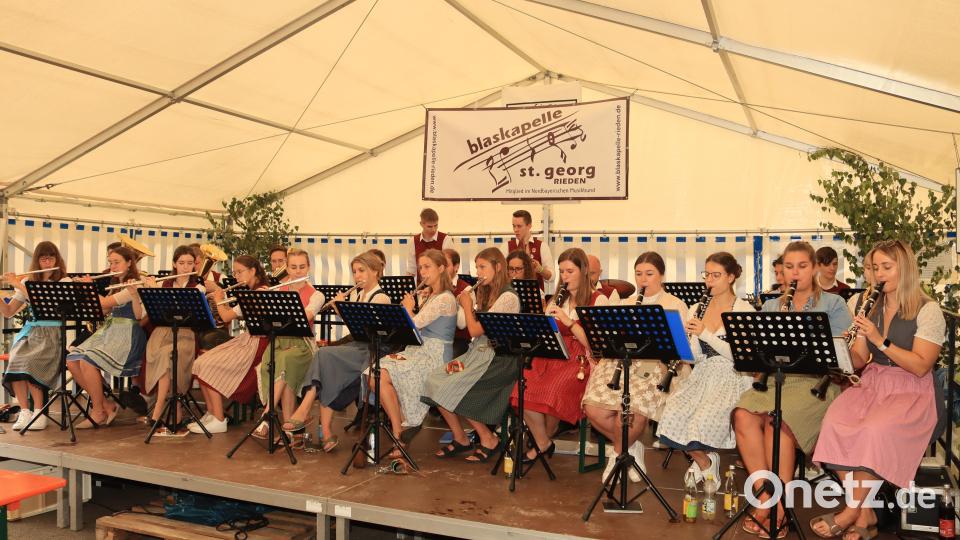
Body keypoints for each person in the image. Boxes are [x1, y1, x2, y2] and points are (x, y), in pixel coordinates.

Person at [810, 240, 945, 539]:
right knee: (835, 420)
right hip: (873, 381)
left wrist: (880, 339)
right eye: (872, 268)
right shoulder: (862, 302)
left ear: (905, 269)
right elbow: (860, 357)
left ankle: (849, 511)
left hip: (913, 389)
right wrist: (840, 352)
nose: (877, 274)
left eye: (886, 267)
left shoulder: (928, 309)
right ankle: (866, 512)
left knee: (873, 430)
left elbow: (921, 365)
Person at [733, 241, 852, 536]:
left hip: (816, 385)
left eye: (802, 266)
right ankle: (766, 501)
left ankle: (779, 508)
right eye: (789, 267)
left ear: (813, 269)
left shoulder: (833, 304)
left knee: (778, 422)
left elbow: (842, 355)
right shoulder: (772, 305)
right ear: (782, 270)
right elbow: (757, 355)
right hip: (775, 379)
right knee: (741, 416)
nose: (795, 272)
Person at [582, 251, 688, 482]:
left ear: (661, 275)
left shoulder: (674, 304)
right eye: (639, 274)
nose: (643, 279)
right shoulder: (625, 303)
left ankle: (619, 455)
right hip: (623, 361)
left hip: (656, 365)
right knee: (593, 408)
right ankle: (631, 446)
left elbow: (680, 349)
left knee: (630, 410)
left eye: (649, 274)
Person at [656, 252, 755, 484]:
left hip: (732, 376)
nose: (709, 280)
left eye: (716, 275)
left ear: (731, 277)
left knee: (701, 419)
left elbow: (740, 357)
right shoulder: (696, 308)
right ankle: (705, 462)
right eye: (707, 274)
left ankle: (704, 460)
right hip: (703, 374)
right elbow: (697, 358)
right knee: (673, 411)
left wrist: (705, 334)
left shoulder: (743, 310)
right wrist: (680, 346)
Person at [280, 252, 390, 452]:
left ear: (375, 271)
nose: (357, 276)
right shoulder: (359, 293)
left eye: (362, 271)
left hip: (371, 351)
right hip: (357, 347)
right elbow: (356, 327)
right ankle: (327, 433)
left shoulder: (380, 297)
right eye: (355, 271)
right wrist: (343, 307)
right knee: (326, 363)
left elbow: (364, 330)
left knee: (324, 355)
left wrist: (342, 308)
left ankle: (304, 409)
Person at [421, 248, 521, 461]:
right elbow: (465, 324)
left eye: (483, 267)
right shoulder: (486, 292)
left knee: (455, 385)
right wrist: (467, 305)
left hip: (497, 359)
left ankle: (488, 439)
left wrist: (467, 305)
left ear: (498, 267)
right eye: (477, 267)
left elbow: (474, 330)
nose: (479, 272)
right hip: (477, 354)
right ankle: (460, 438)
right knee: (434, 379)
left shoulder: (508, 297)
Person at [510, 248, 608, 461]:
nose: (564, 277)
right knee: (521, 389)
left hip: (580, 360)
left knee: (552, 390)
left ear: (583, 271)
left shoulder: (598, 300)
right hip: (553, 356)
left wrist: (568, 321)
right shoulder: (556, 299)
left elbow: (595, 344)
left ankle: (540, 440)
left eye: (569, 271)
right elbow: (545, 336)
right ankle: (543, 441)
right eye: (562, 271)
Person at [377, 248, 457, 456]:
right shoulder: (431, 296)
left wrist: (410, 308)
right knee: (376, 373)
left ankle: (403, 434)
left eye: (427, 267)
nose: (422, 272)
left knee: (383, 371)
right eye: (420, 267)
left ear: (441, 268)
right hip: (419, 350)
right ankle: (399, 430)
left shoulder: (445, 298)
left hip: (435, 354)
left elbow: (415, 325)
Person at [66, 246, 148, 428]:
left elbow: (105, 303)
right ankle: (105, 405)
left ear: (129, 263)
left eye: (117, 262)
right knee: (72, 360)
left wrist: (88, 287)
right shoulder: (115, 283)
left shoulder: (135, 282)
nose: (112, 266)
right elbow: (102, 309)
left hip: (127, 333)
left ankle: (98, 411)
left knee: (87, 361)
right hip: (111, 330)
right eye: (110, 262)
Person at [188, 255, 270, 434]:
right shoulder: (250, 290)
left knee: (207, 364)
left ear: (253, 271)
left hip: (258, 344)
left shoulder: (260, 292)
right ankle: (211, 413)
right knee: (200, 361)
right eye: (234, 273)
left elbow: (225, 317)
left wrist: (218, 296)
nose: (237, 277)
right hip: (248, 339)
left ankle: (218, 419)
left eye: (240, 272)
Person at [252, 248, 324, 439]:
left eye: (302, 267)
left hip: (303, 345)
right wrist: (262, 301)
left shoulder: (317, 295)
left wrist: (275, 300)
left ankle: (267, 415)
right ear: (287, 268)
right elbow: (265, 321)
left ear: (308, 267)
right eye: (293, 267)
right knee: (281, 364)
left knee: (284, 361)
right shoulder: (277, 290)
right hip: (279, 343)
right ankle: (292, 431)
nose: (298, 271)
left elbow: (304, 316)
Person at [1, 241, 70, 431]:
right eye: (43, 258)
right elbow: (8, 312)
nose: (47, 262)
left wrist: (18, 285)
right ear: (37, 261)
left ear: (57, 259)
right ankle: (25, 411)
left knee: (31, 363)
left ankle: (40, 412)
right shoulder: (27, 282)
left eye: (51, 257)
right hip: (31, 332)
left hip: (52, 333)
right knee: (15, 361)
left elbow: (41, 303)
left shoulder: (63, 281)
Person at [142, 246, 203, 426]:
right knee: (164, 357)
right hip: (161, 333)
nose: (185, 267)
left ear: (194, 266)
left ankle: (158, 410)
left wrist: (157, 292)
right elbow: (148, 314)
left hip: (185, 335)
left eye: (190, 263)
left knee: (168, 355)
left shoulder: (198, 287)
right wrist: (151, 292)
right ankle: (174, 407)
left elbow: (187, 311)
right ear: (174, 265)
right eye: (181, 263)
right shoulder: (163, 284)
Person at [505, 210, 553, 291]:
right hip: (511, 294)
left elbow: (551, 277)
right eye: (514, 226)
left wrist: (540, 270)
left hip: (535, 296)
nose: (515, 230)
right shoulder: (506, 246)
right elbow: (500, 274)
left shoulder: (542, 246)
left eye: (519, 226)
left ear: (529, 225)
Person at [407, 208, 454, 279]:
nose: (433, 229)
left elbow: (449, 267)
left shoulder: (446, 239)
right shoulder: (413, 241)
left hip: (441, 286)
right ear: (421, 224)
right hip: (421, 286)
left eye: (436, 225)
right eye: (430, 226)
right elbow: (411, 269)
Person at [443, 248, 472, 358]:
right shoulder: (432, 287)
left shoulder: (466, 289)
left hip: (458, 340)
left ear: (456, 267)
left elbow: (462, 324)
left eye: (446, 265)